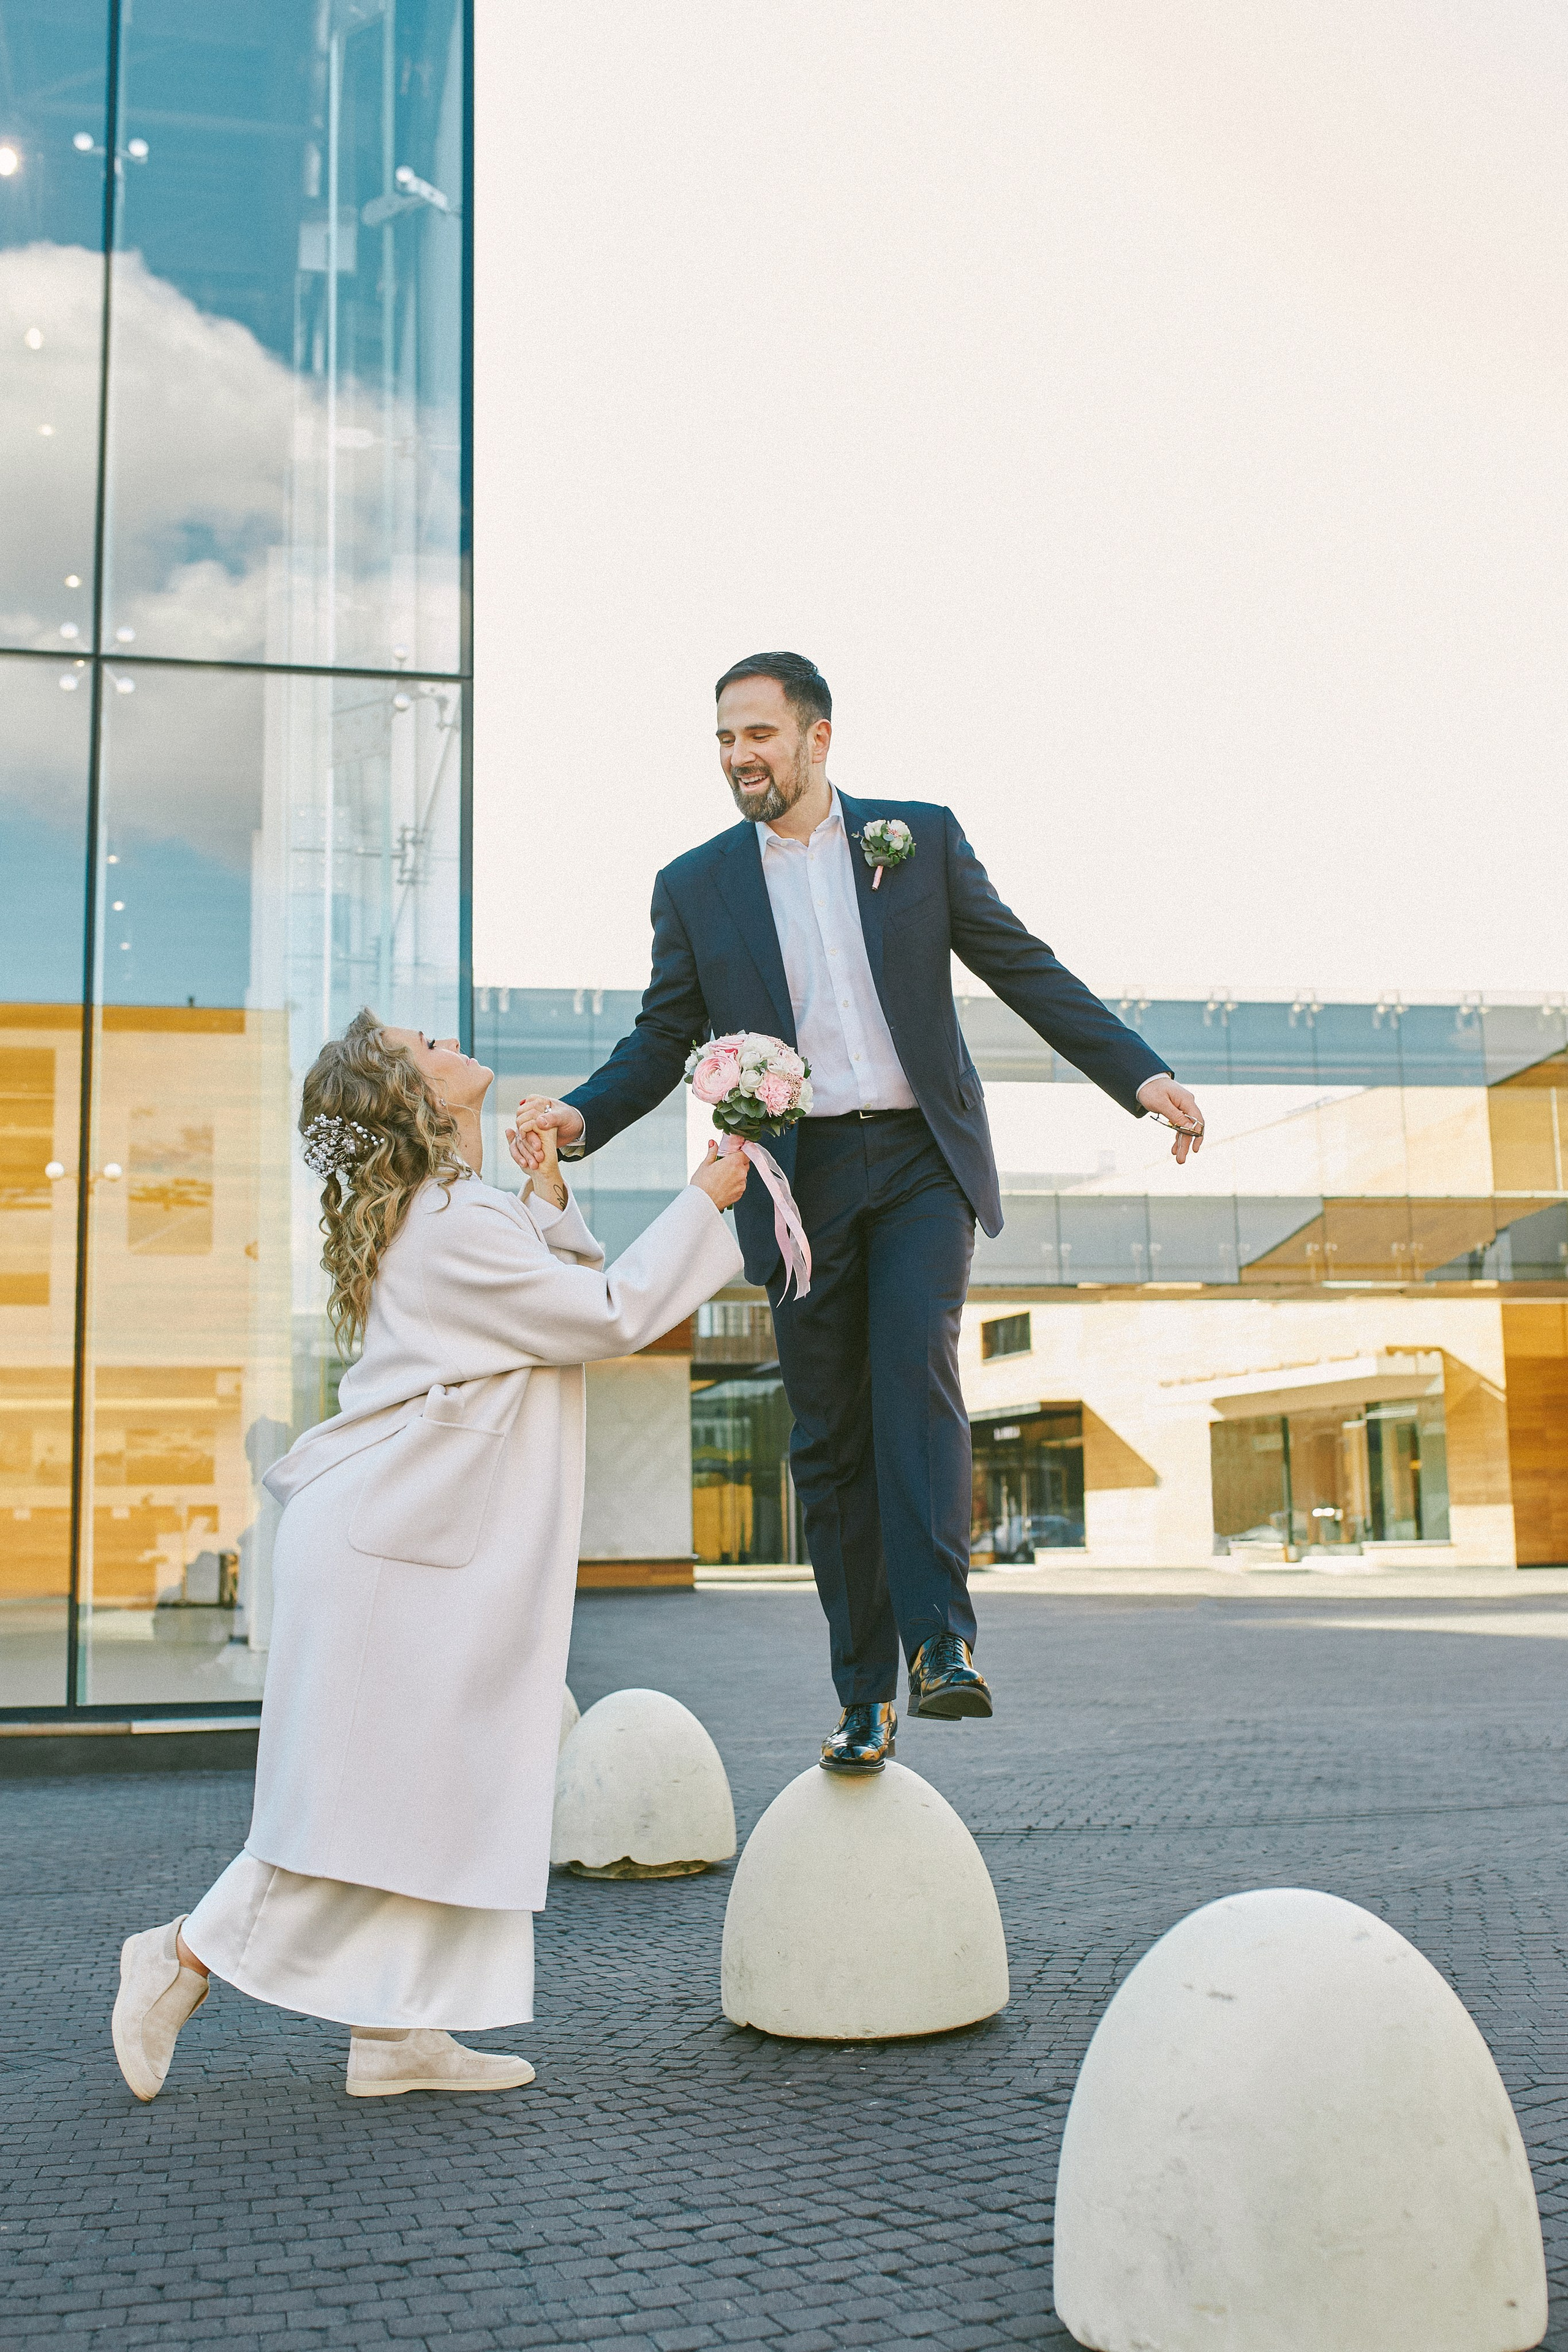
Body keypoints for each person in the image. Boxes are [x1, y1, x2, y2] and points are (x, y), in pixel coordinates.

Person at [514, 652, 1204, 1776]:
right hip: (800, 1181)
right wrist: (583, 1121)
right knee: (828, 1437)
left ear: (818, 736)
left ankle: (942, 1646)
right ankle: (860, 1695)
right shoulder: (695, 885)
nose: (741, 756)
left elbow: (1025, 969)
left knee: (914, 1378)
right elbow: (660, 1038)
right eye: (725, 740)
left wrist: (1139, 1077)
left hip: (922, 1157)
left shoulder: (916, 838)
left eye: (759, 735)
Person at [110, 1010, 745, 2103]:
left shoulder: (453, 1211)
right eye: (424, 1045)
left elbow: (537, 1304)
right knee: (355, 1801)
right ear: (410, 1097)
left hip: (408, 1543)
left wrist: (545, 1193)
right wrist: (705, 1201)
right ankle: (179, 1957)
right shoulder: (449, 1219)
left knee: (449, 1787)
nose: (447, 1039)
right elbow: (601, 1315)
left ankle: (400, 2032)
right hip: (391, 1554)